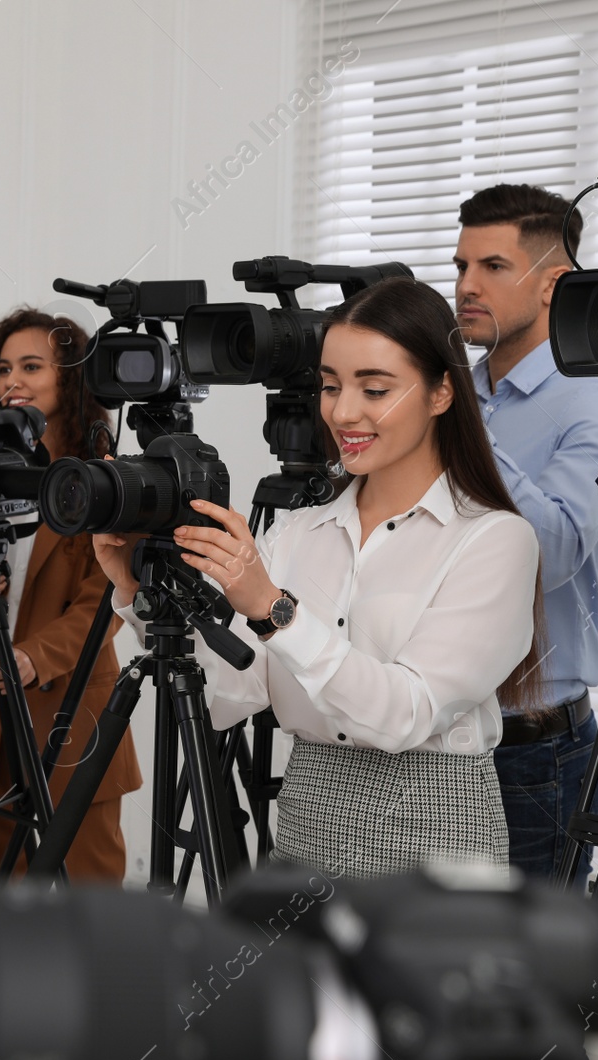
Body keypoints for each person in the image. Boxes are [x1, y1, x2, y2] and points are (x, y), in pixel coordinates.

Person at [97, 277, 542, 878]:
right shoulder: (298, 533)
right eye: (331, 386)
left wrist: (274, 610)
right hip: (308, 815)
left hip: (435, 824)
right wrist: (133, 589)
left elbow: (406, 714)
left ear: (442, 392)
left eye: (375, 388)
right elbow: (229, 693)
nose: (343, 411)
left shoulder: (492, 540)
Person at [454, 184, 598, 880]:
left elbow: (551, 552)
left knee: (523, 977)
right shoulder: (445, 393)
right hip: (421, 732)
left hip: (530, 752)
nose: (466, 285)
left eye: (492, 267)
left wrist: (461, 431)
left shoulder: (596, 404)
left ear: (554, 283)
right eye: (460, 265)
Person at [0, 308, 141, 882]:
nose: (11, 382)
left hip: (69, 710)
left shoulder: (103, 476)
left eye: (31, 366)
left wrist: (34, 656)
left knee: (86, 891)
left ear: (70, 379)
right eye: (2, 369)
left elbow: (107, 598)